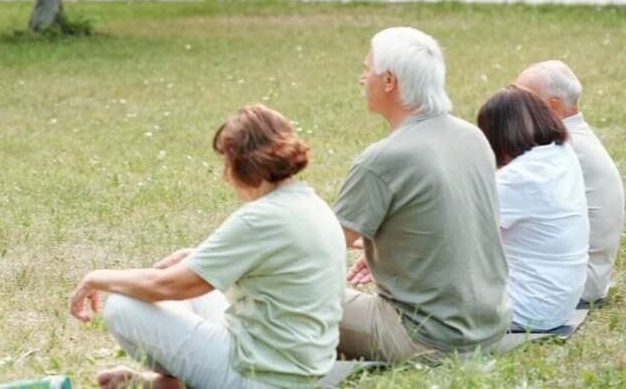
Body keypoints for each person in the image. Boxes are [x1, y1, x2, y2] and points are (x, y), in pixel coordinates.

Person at [69, 104, 345, 389]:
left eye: (228, 165)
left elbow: (165, 286)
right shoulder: (310, 203)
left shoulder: (261, 218)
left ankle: (173, 382)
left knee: (123, 305)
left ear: (247, 164)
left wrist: (96, 278)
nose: (225, 177)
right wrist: (196, 258)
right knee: (198, 292)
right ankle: (168, 382)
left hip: (261, 376)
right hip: (303, 367)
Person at [333, 26, 510, 362]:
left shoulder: (383, 158)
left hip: (424, 338)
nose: (361, 79)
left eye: (366, 69)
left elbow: (317, 243)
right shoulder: (471, 137)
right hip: (489, 327)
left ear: (389, 81)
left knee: (283, 291)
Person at [476, 85, 589, 331]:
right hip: (560, 300)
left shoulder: (519, 177)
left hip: (527, 307)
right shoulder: (561, 154)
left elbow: (461, 234)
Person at [516, 60, 623, 304]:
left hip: (574, 282)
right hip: (582, 274)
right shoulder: (575, 137)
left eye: (523, 100)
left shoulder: (559, 147)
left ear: (551, 106)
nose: (514, 106)